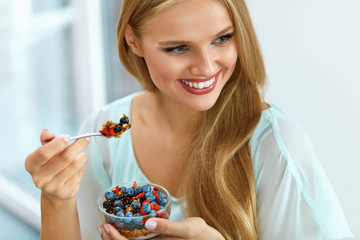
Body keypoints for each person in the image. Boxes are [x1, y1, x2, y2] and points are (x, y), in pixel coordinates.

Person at [25, 0, 354, 239]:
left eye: (222, 39)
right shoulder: (105, 134)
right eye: (179, 48)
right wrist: (56, 199)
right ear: (133, 40)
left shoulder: (276, 145)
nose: (207, 67)